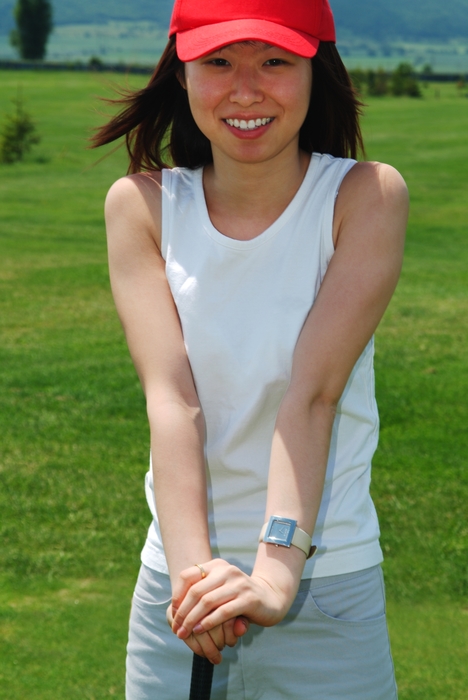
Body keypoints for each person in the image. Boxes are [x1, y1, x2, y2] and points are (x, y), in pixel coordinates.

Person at [93, 0, 408, 697]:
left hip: (323, 587)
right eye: (218, 62)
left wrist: (272, 576)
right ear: (182, 71)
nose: (245, 89)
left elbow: (313, 393)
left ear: (314, 70)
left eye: (274, 61)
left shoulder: (365, 197)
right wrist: (192, 579)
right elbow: (172, 401)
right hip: (179, 592)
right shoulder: (140, 206)